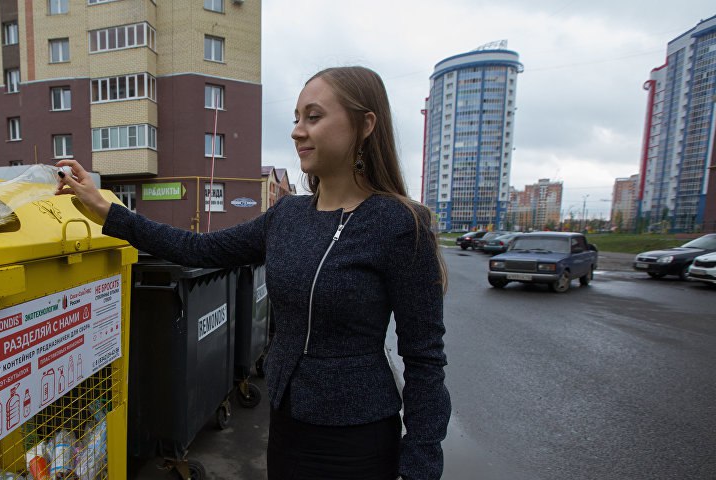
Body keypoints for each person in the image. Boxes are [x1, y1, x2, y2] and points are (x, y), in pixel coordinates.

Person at [56, 66, 450, 480]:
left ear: (364, 125)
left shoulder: (401, 225)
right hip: (286, 425)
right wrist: (108, 211)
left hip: (357, 440)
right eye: (296, 118)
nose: (298, 131)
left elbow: (424, 359)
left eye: (313, 117)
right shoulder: (287, 215)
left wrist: (419, 467)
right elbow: (199, 249)